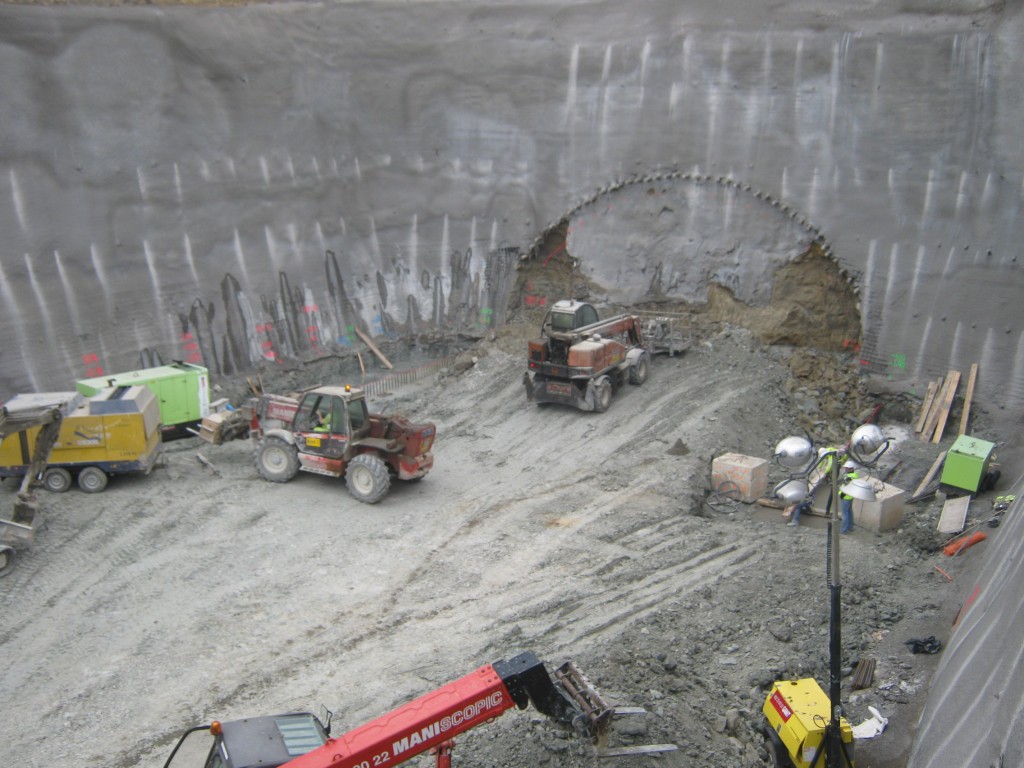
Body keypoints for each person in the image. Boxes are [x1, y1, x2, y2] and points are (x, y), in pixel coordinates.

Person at [840, 459, 860, 534]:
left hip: (845, 497)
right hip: (850, 497)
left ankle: (844, 530)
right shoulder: (854, 474)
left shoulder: (849, 477)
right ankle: (850, 527)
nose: (845, 469)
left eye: (847, 468)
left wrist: (842, 495)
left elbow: (846, 486)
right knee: (849, 512)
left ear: (851, 468)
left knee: (845, 514)